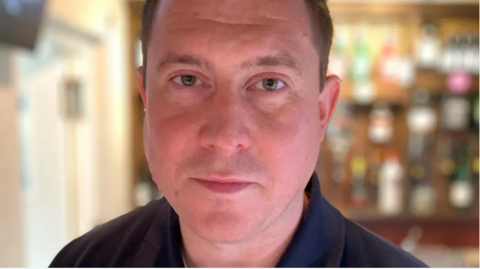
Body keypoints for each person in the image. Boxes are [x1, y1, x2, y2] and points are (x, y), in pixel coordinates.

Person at [50, 0, 427, 267]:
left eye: (268, 83)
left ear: (322, 110)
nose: (226, 136)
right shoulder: (83, 263)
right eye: (187, 79)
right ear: (146, 96)